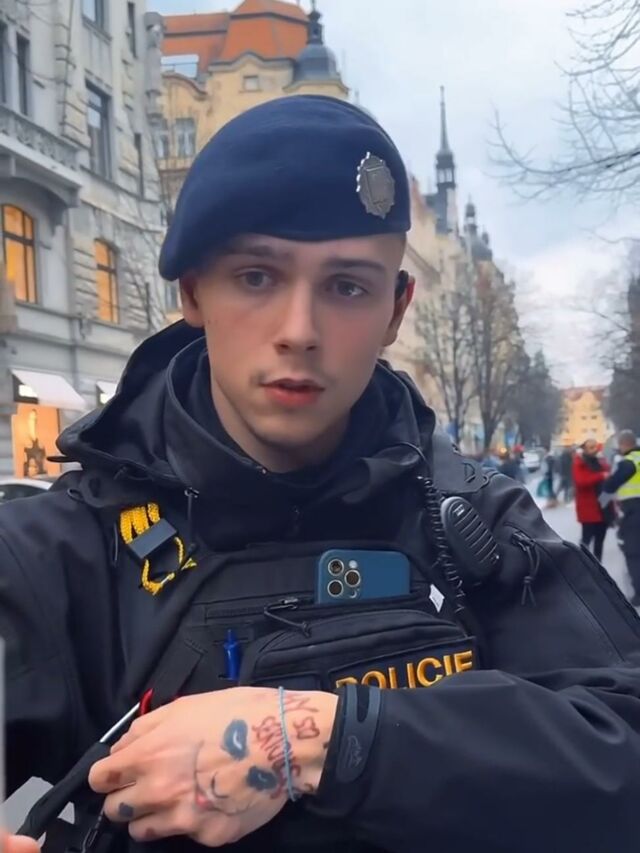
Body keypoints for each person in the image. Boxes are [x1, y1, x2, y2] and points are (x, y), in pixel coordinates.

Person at [4, 96, 640, 853]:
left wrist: (318, 742)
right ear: (192, 292)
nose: (299, 331)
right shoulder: (60, 552)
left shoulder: (474, 521)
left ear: (396, 309)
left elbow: (622, 746)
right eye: (256, 277)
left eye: (347, 287)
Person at [602, 430, 640, 606]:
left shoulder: (628, 463)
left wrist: (602, 505)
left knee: (634, 553)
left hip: (634, 513)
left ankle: (638, 593)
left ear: (624, 444)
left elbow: (610, 486)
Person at [573, 439, 612, 562]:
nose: (594, 449)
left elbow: (609, 473)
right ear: (584, 449)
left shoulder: (600, 461)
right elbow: (581, 482)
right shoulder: (579, 462)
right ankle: (583, 563)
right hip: (588, 508)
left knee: (600, 539)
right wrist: (600, 476)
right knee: (586, 539)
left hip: (603, 507)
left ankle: (598, 565)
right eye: (590, 447)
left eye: (595, 447)